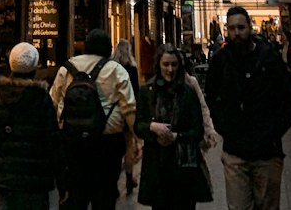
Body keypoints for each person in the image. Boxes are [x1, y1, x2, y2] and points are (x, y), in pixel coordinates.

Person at [204, 6, 291, 210]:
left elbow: (290, 99)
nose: (236, 33)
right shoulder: (221, 62)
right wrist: (226, 130)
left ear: (250, 28)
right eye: (231, 29)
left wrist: (273, 132)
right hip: (235, 154)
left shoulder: (269, 59)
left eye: (241, 27)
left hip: (267, 153)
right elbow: (212, 99)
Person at [0, 41, 68, 210]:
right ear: (34, 67)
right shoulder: (41, 100)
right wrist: (62, 182)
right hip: (35, 182)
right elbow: (52, 141)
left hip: (3, 179)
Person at [50, 28, 136, 210]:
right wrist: (135, 140)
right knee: (104, 196)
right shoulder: (116, 70)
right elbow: (129, 107)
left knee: (74, 196)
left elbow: (53, 101)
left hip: (72, 142)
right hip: (107, 143)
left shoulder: (66, 68)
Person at [134, 46, 212, 210]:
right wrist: (152, 127)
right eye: (166, 64)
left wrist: (176, 137)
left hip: (183, 166)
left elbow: (197, 130)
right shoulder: (147, 92)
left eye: (174, 65)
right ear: (159, 65)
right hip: (157, 165)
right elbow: (138, 125)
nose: (170, 69)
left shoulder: (188, 93)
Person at [111, 40, 140, 195]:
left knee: (115, 150)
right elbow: (135, 91)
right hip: (127, 112)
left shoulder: (112, 69)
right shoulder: (132, 69)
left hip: (113, 114)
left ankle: (114, 183)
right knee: (129, 145)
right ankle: (129, 178)